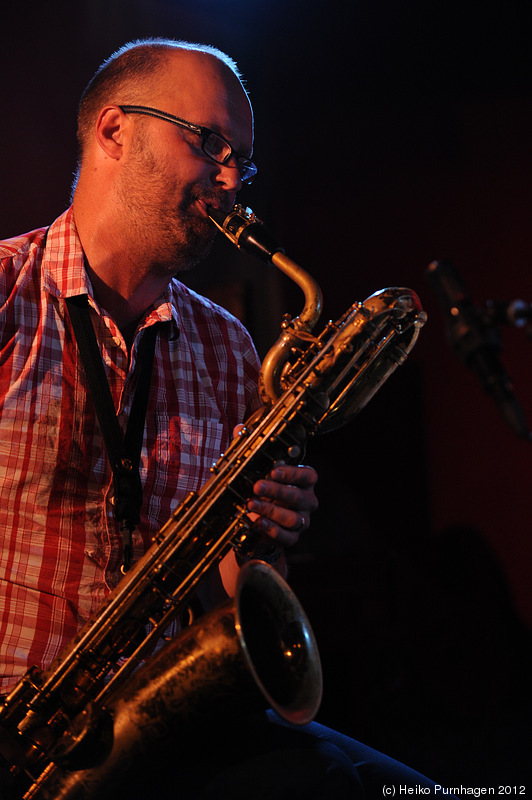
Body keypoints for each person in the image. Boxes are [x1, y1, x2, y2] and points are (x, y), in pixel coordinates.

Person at [0, 38, 452, 797]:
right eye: (207, 143)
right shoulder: (8, 291)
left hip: (164, 715)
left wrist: (262, 535)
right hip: (27, 735)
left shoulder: (227, 343)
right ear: (114, 131)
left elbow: (237, 582)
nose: (233, 180)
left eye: (242, 159)